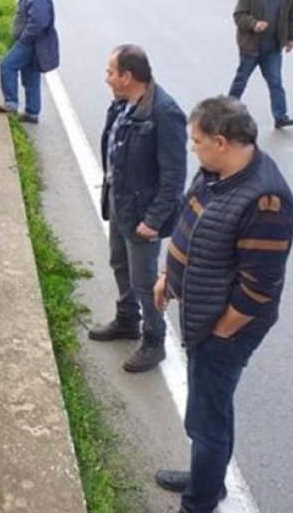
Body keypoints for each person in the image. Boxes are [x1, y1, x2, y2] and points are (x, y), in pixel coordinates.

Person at [153, 96, 293, 513]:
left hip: (227, 328)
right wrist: (169, 276)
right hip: (205, 316)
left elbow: (259, 288)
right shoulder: (216, 173)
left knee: (208, 417)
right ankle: (206, 477)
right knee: (206, 409)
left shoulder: (265, 201)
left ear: (220, 141)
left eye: (196, 141)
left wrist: (220, 332)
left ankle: (199, 500)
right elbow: (189, 225)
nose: (191, 147)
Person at [87, 45, 187, 373]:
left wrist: (154, 219)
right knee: (119, 262)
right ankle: (127, 319)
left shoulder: (164, 113)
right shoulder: (122, 105)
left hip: (143, 212)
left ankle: (154, 341)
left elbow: (173, 176)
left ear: (127, 77)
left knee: (145, 279)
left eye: (110, 72)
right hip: (120, 202)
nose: (106, 78)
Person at [228, 0, 293, 129]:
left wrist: (291, 38)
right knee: (241, 80)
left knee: (275, 82)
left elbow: (291, 16)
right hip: (251, 45)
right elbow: (238, 15)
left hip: (273, 47)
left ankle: (280, 116)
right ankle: (226, 113)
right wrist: (254, 24)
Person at [0, 0, 60, 124]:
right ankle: (32, 113)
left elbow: (39, 21)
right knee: (30, 76)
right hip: (32, 41)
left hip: (30, 42)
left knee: (7, 65)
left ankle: (11, 103)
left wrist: (24, 38)